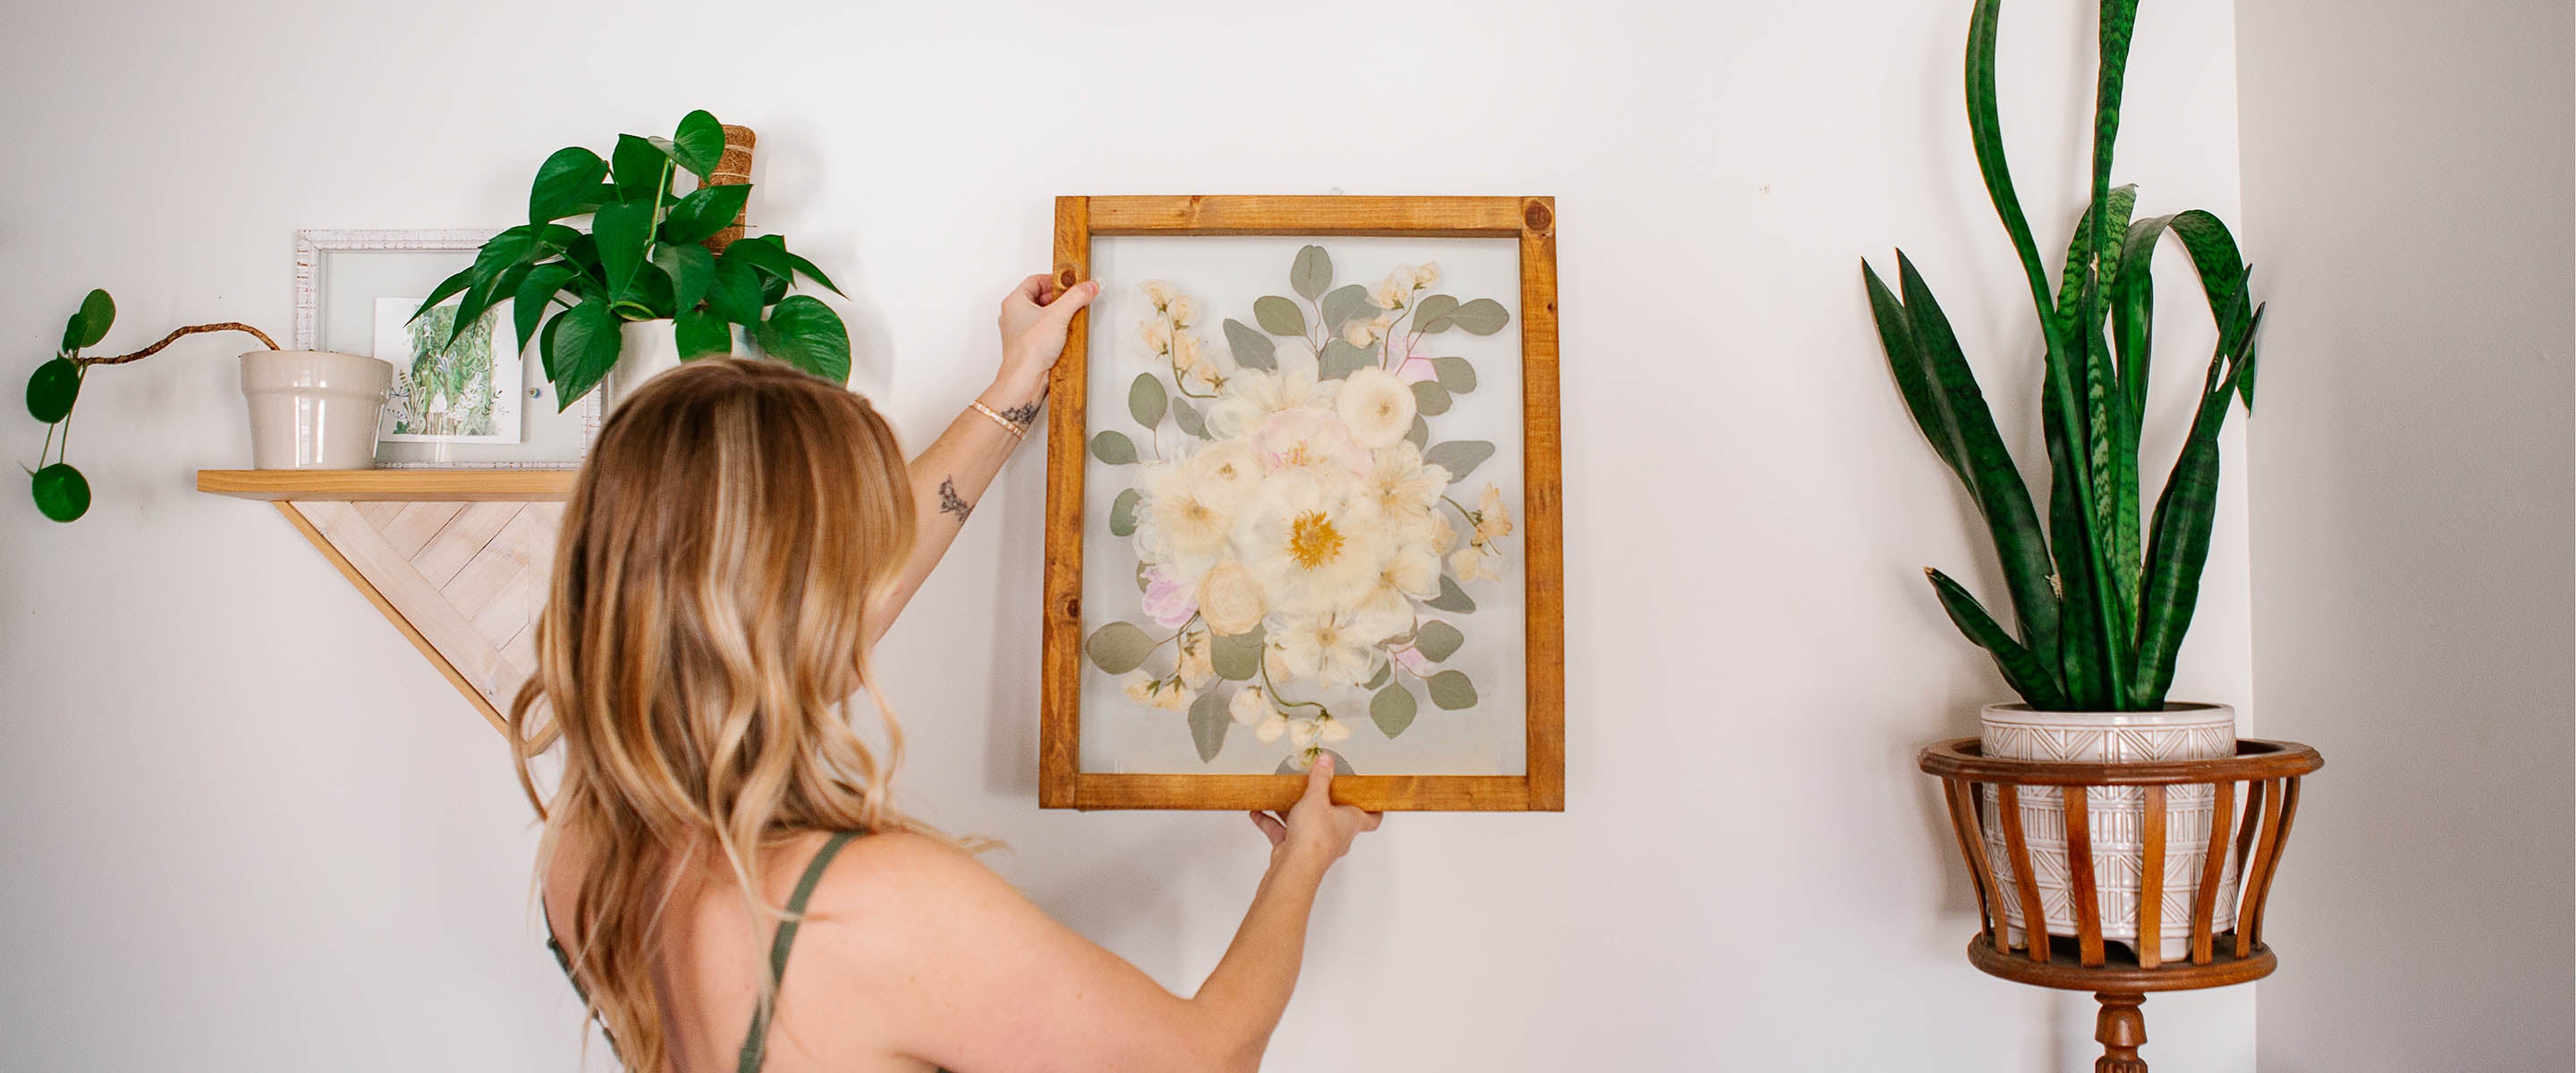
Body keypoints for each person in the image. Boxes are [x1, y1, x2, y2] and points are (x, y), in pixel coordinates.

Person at [509, 274, 1383, 1073]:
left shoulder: (589, 845)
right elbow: (1204, 1060)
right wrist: (1304, 857)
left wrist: (1015, 387)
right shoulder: (868, 907)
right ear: (790, 603)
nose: (868, 574)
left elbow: (852, 601)